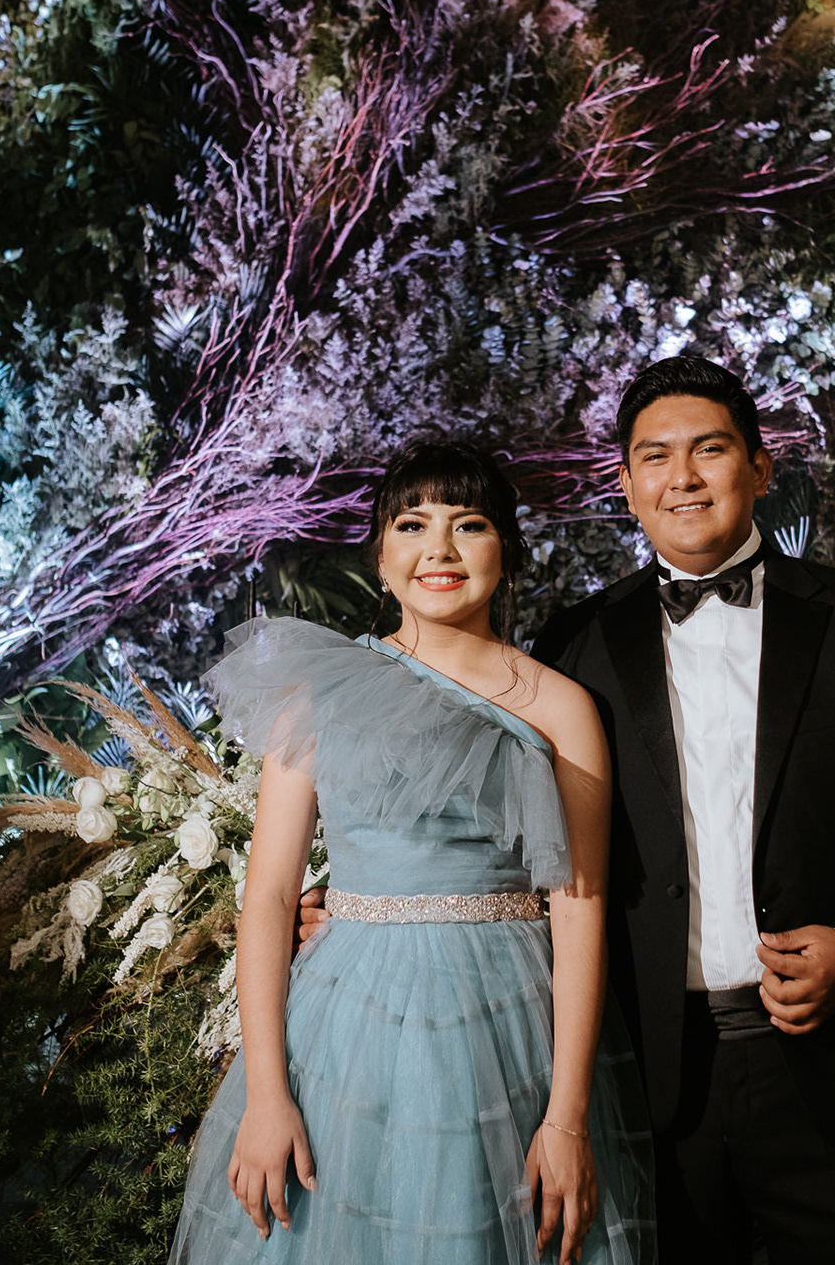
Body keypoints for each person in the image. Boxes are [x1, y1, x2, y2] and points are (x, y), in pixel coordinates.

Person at [528, 357, 835, 1262]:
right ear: (626, 484)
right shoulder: (574, 644)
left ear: (760, 467)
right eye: (656, 457)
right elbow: (520, 828)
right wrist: (342, 909)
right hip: (652, 1074)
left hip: (834, 1069)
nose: (683, 477)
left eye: (710, 450)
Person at [172, 441, 653, 1265]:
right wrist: (266, 1096)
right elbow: (271, 896)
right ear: (381, 559)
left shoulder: (560, 707)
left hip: (509, 1021)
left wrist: (567, 1117)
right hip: (347, 1020)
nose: (440, 549)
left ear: (506, 551)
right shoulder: (320, 691)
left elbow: (582, 905)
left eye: (469, 525)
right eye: (412, 525)